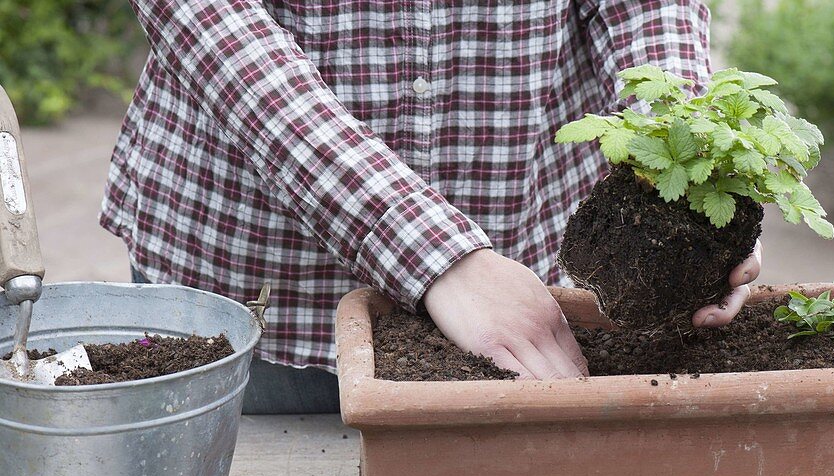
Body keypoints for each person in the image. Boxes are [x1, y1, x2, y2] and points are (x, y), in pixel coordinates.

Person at [102, 0, 762, 413]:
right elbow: (209, 23)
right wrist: (437, 256)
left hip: (521, 296)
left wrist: (684, 156)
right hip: (258, 294)